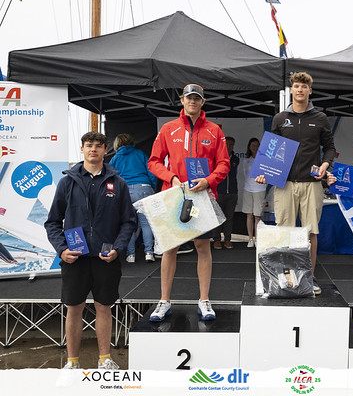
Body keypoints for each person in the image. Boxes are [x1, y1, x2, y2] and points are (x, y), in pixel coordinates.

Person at [44, 132, 136, 370]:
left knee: (104, 307)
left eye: (98, 145)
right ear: (82, 149)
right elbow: (52, 222)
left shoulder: (118, 183)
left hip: (106, 258)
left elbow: (128, 222)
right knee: (74, 308)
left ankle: (105, 359)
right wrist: (62, 250)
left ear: (106, 150)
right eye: (89, 145)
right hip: (75, 259)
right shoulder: (67, 182)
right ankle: (72, 363)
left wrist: (118, 248)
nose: (93, 149)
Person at [147, 84, 230, 322]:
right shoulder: (168, 128)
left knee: (203, 247)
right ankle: (164, 301)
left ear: (202, 102)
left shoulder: (214, 130)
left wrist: (209, 180)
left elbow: (224, 163)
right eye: (189, 97)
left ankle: (204, 300)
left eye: (197, 98)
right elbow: (154, 161)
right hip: (174, 195)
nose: (192, 101)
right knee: (170, 248)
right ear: (182, 100)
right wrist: (171, 178)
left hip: (202, 196)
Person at [255, 72, 336, 295]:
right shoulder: (280, 118)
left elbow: (329, 147)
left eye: (304, 86)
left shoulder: (320, 117)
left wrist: (325, 164)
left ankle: (309, 277)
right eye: (297, 86)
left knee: (311, 232)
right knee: (285, 232)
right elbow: (271, 152)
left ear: (310, 90)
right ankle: (287, 277)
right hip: (284, 184)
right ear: (291, 90)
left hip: (312, 184)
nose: (300, 90)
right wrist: (264, 173)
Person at [109, 133, 157, 263]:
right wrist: (152, 188)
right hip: (144, 188)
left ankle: (130, 255)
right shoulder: (141, 154)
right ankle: (149, 253)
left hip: (125, 190)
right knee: (146, 223)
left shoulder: (115, 159)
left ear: (116, 144)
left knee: (128, 224)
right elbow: (151, 172)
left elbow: (111, 178)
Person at [213, 136, 239, 250]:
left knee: (229, 217)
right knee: (218, 217)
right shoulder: (217, 158)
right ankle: (217, 240)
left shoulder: (235, 159)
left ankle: (227, 239)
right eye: (227, 144)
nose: (229, 146)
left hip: (232, 192)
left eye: (231, 144)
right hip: (219, 192)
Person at [242, 137, 266, 248]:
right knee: (249, 215)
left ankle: (257, 239)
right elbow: (244, 174)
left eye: (257, 146)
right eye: (253, 146)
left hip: (259, 190)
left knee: (257, 216)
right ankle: (250, 239)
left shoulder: (263, 160)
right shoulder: (246, 160)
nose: (255, 148)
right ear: (249, 147)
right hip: (248, 189)